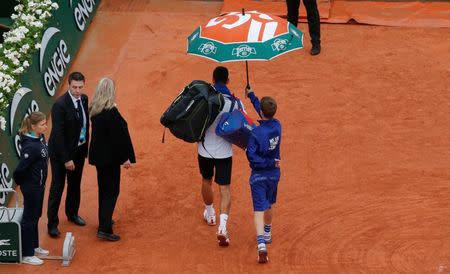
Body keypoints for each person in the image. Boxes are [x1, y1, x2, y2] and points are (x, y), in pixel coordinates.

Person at [198, 66, 244, 247]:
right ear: (228, 81)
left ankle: (210, 214)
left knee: (206, 180)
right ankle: (223, 228)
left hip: (204, 150)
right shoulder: (236, 103)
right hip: (224, 152)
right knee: (224, 189)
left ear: (212, 79)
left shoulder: (204, 99)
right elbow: (243, 125)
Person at [88, 77, 135, 241]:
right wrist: (125, 159)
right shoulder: (111, 113)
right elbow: (117, 139)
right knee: (112, 191)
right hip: (110, 159)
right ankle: (104, 228)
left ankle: (104, 219)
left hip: (99, 158)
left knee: (103, 189)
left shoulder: (95, 109)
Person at [47, 71, 89, 237]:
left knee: (75, 184)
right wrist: (66, 159)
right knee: (57, 187)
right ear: (69, 85)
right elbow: (57, 135)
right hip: (60, 155)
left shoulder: (84, 99)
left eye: (80, 87)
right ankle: (52, 224)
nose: (77, 91)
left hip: (78, 150)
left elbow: (84, 124)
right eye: (74, 87)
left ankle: (72, 213)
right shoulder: (60, 105)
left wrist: (83, 148)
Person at [245, 87, 281, 263]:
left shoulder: (255, 133)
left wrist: (265, 163)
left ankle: (261, 245)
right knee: (269, 204)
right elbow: (262, 108)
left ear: (262, 112)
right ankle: (267, 232)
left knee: (259, 209)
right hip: (274, 175)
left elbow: (252, 157)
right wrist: (251, 95)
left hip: (259, 175)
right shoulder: (278, 125)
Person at [13, 112, 49, 265]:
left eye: (45, 123)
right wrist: (24, 184)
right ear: (33, 127)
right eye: (42, 124)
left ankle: (34, 246)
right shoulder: (29, 146)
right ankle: (27, 254)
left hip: (39, 185)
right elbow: (19, 170)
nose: (46, 126)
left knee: (36, 216)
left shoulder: (39, 138)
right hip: (32, 187)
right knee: (29, 219)